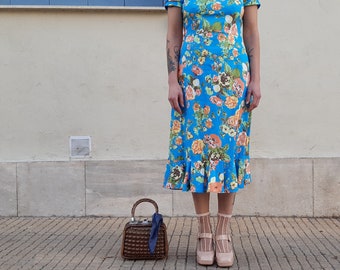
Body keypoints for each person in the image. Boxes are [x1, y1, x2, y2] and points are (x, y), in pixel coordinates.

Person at [163, 0, 261, 267]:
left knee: (227, 151)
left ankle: (223, 234)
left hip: (233, 78)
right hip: (194, 82)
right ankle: (204, 231)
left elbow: (250, 31)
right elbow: (173, 34)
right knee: (199, 150)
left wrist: (256, 79)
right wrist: (172, 81)